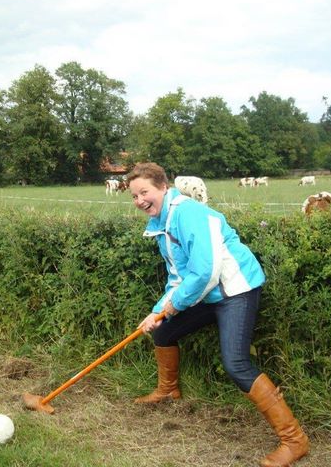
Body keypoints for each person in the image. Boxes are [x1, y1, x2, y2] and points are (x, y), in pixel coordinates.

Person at [127, 162, 309, 467]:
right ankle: (168, 391)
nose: (139, 200)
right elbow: (178, 277)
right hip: (208, 292)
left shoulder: (188, 214)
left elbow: (205, 271)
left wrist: (172, 307)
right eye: (134, 196)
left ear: (163, 187)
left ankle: (294, 440)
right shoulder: (162, 223)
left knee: (236, 364)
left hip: (236, 290)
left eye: (144, 192)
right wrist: (158, 312)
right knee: (164, 332)